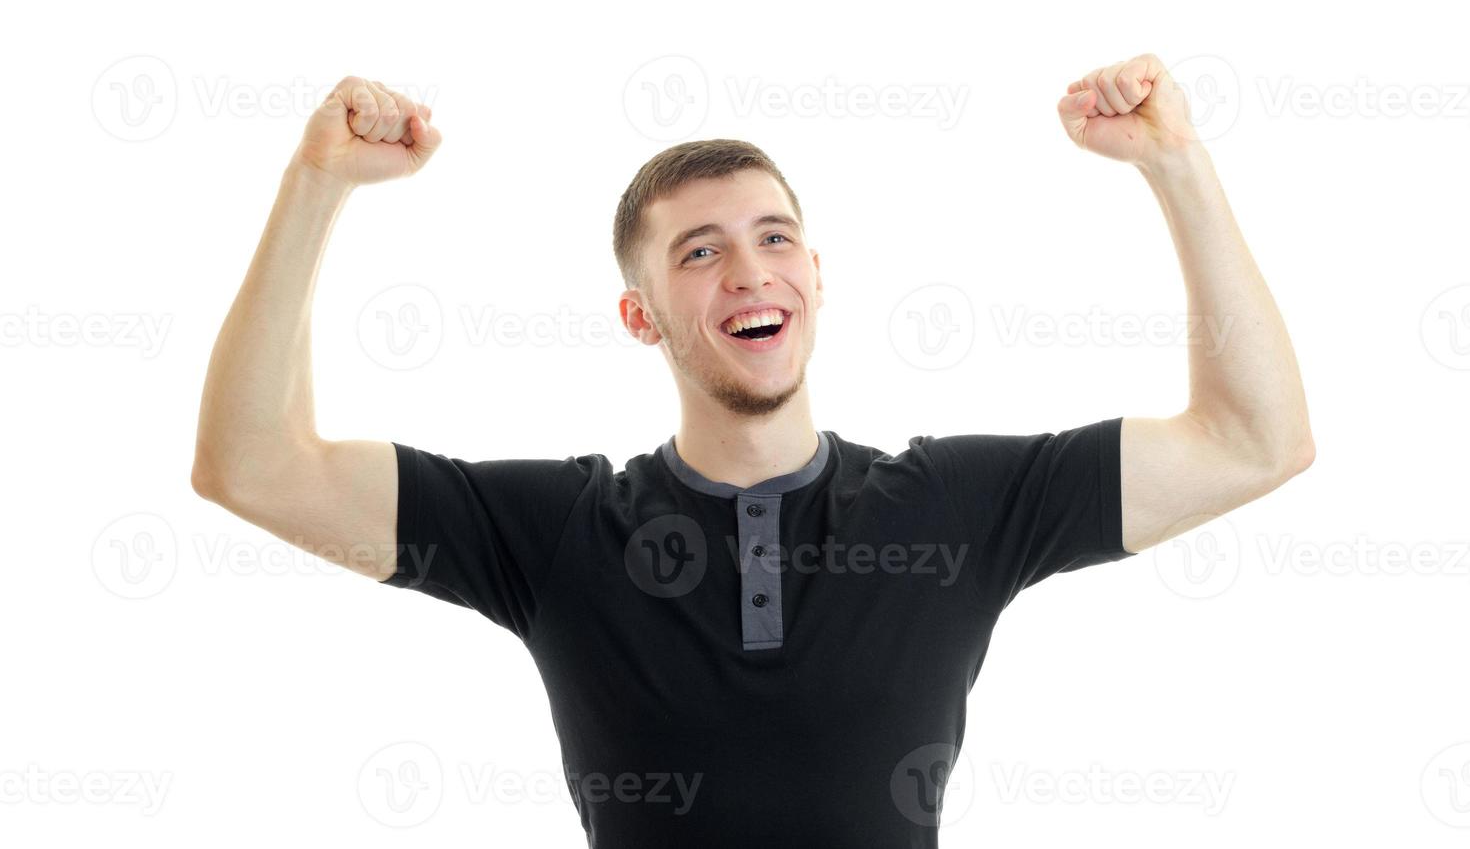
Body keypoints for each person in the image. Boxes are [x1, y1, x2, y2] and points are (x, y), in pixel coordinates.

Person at [190, 56, 1314, 847]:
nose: (750, 270)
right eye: (700, 251)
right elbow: (252, 464)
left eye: (775, 238)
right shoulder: (559, 533)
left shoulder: (955, 504)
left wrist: (1177, 164)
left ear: (817, 280)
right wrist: (317, 183)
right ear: (641, 317)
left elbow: (1254, 441)